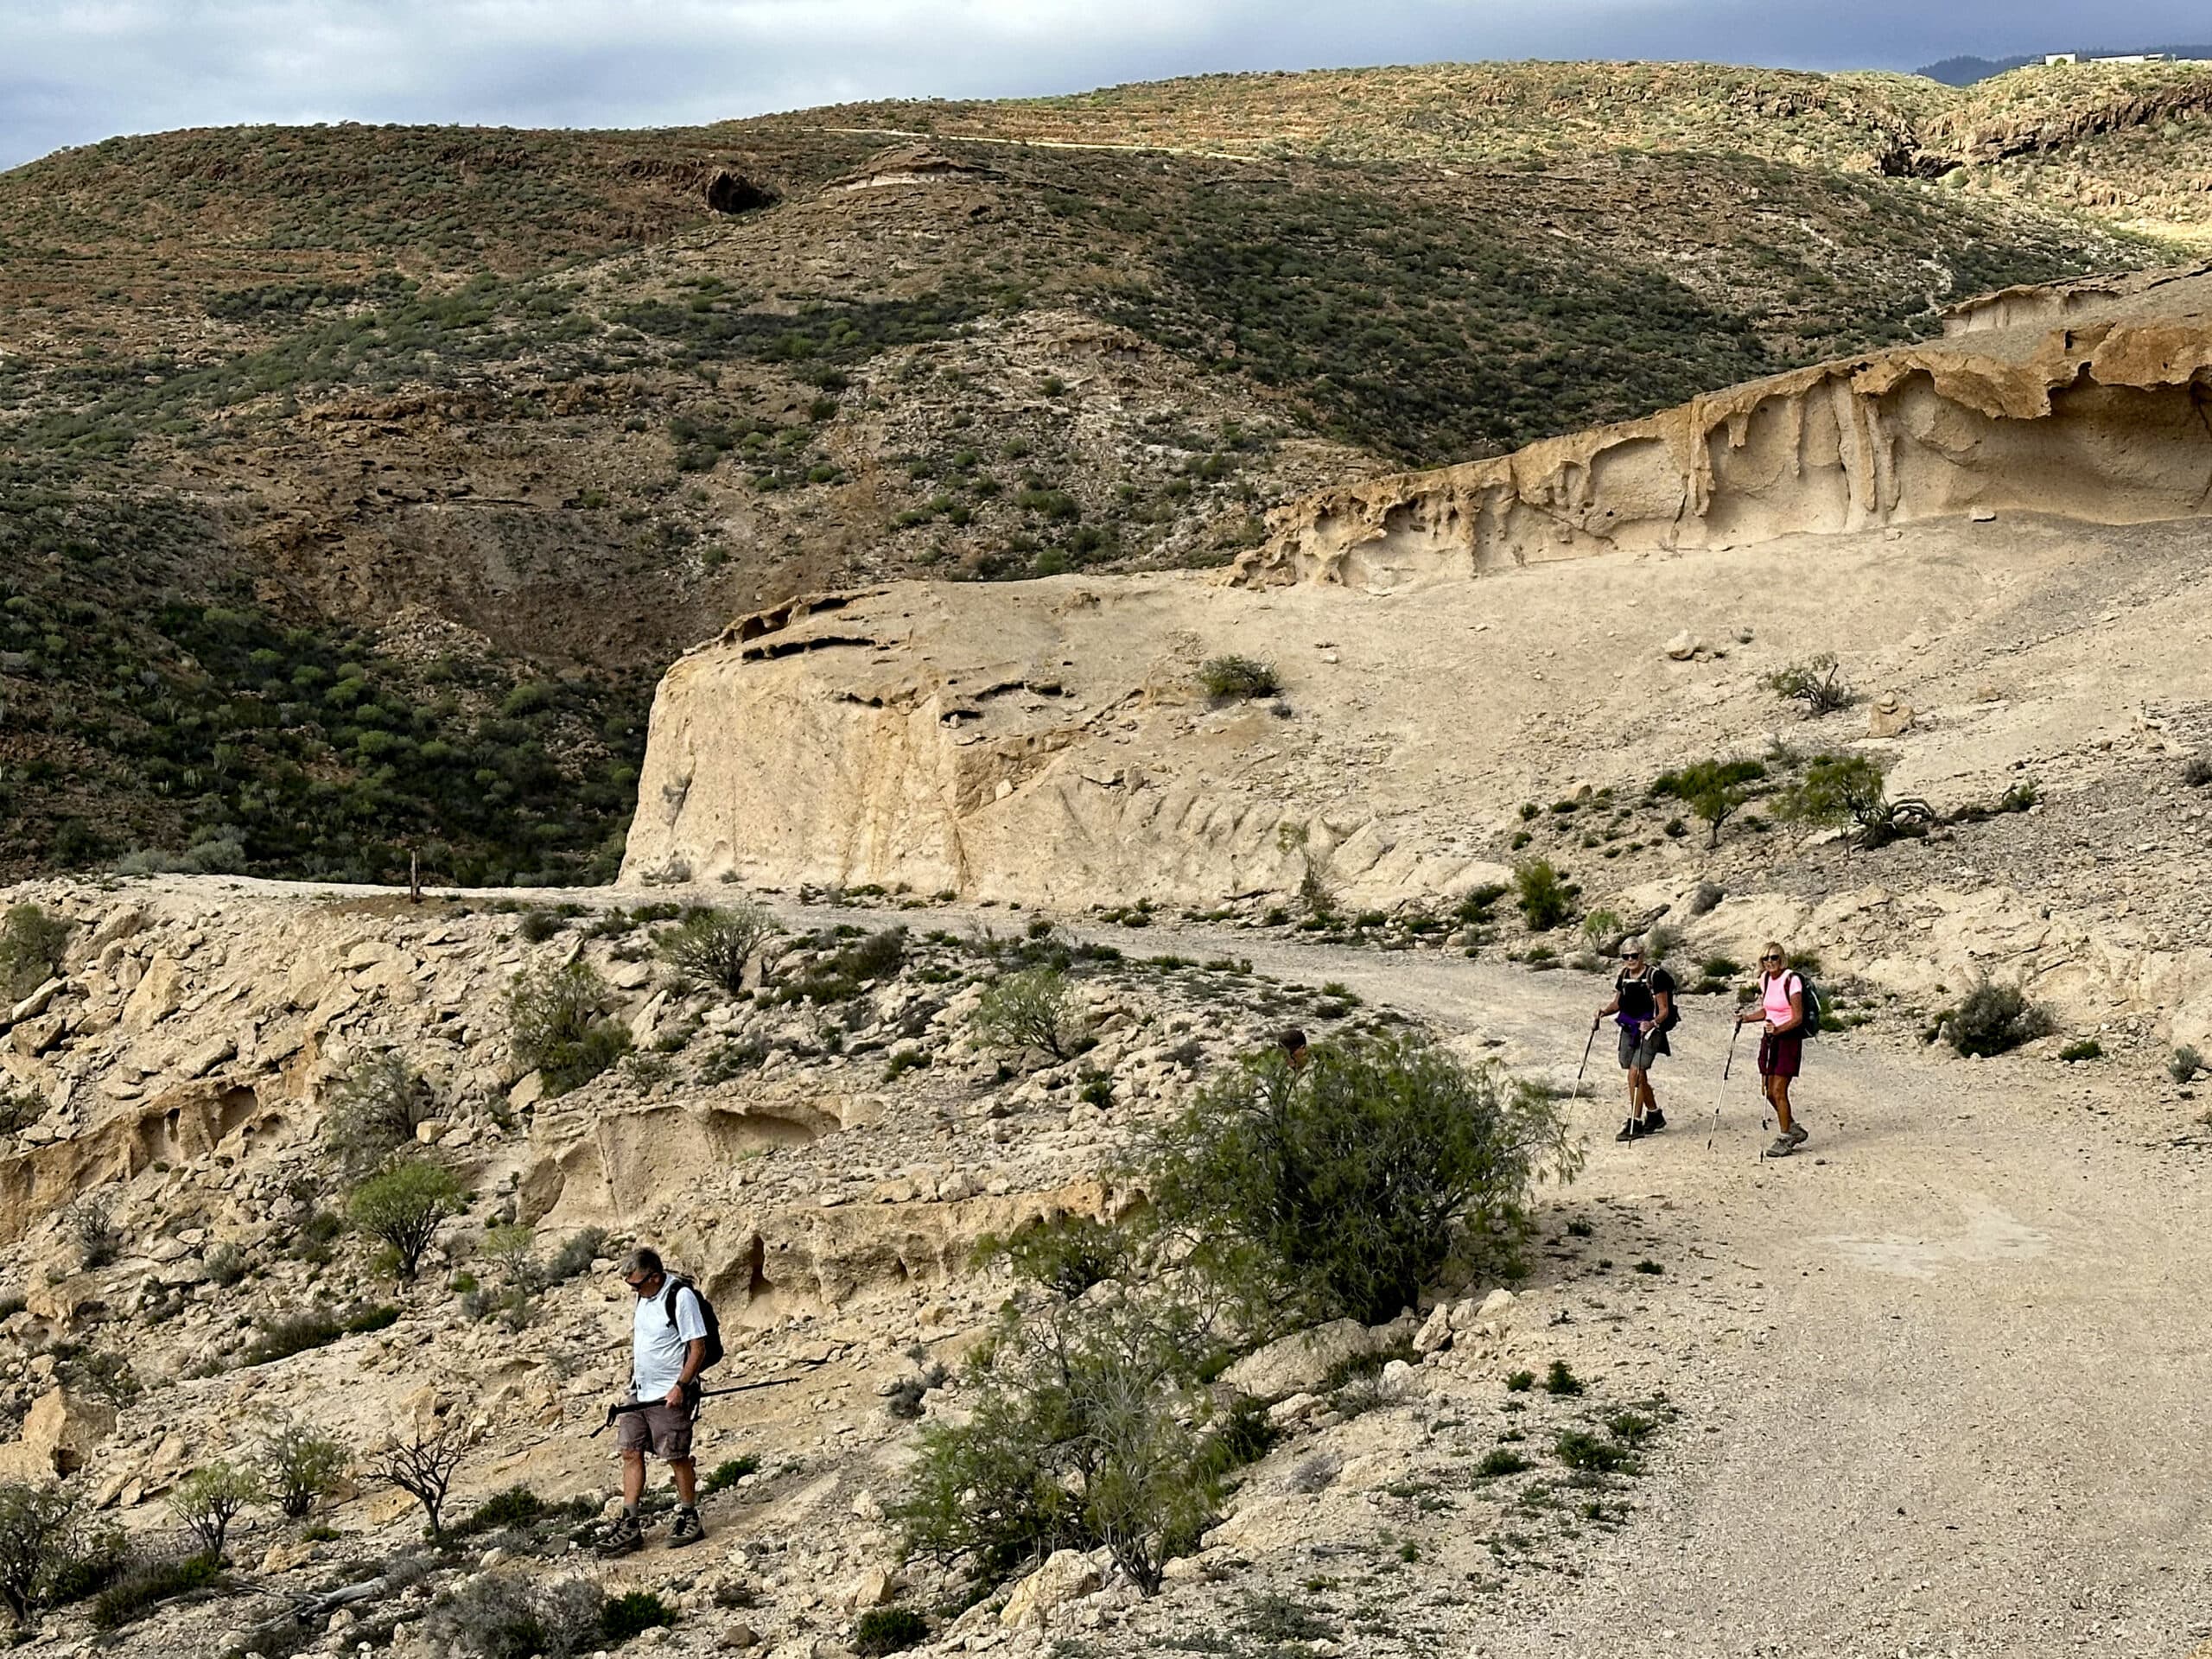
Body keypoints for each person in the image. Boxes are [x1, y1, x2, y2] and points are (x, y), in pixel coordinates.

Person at [599, 1247, 709, 1554]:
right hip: (639, 1391)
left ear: (655, 1277)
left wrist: (680, 1386)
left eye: (636, 1285)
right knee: (630, 1451)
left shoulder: (680, 1297)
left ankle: (689, 1515)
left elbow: (698, 1347)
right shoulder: (643, 1296)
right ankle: (630, 1522)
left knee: (676, 1454)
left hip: (668, 1394)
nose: (633, 1290)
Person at [1595, 937, 1674, 1141]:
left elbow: (1664, 1010)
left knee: (1635, 1073)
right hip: (1629, 1028)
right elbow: (1617, 1003)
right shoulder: (1624, 975)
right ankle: (1654, 1115)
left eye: (1634, 956)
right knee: (1637, 1075)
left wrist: (1652, 1023)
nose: (1630, 960)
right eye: (1626, 956)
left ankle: (1635, 1123)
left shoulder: (1655, 977)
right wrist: (1603, 1012)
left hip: (1650, 1032)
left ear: (1642, 955)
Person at [1738, 942, 1809, 1158]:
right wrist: (1747, 1018)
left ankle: (1786, 1136)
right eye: (1766, 958)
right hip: (1770, 1038)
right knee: (1768, 1091)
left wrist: (1778, 1029)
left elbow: (1797, 1017)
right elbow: (1767, 1010)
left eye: (1774, 957)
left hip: (1788, 1039)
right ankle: (1792, 1128)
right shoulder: (1765, 979)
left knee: (1779, 1090)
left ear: (1782, 958)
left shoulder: (1792, 980)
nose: (1770, 962)